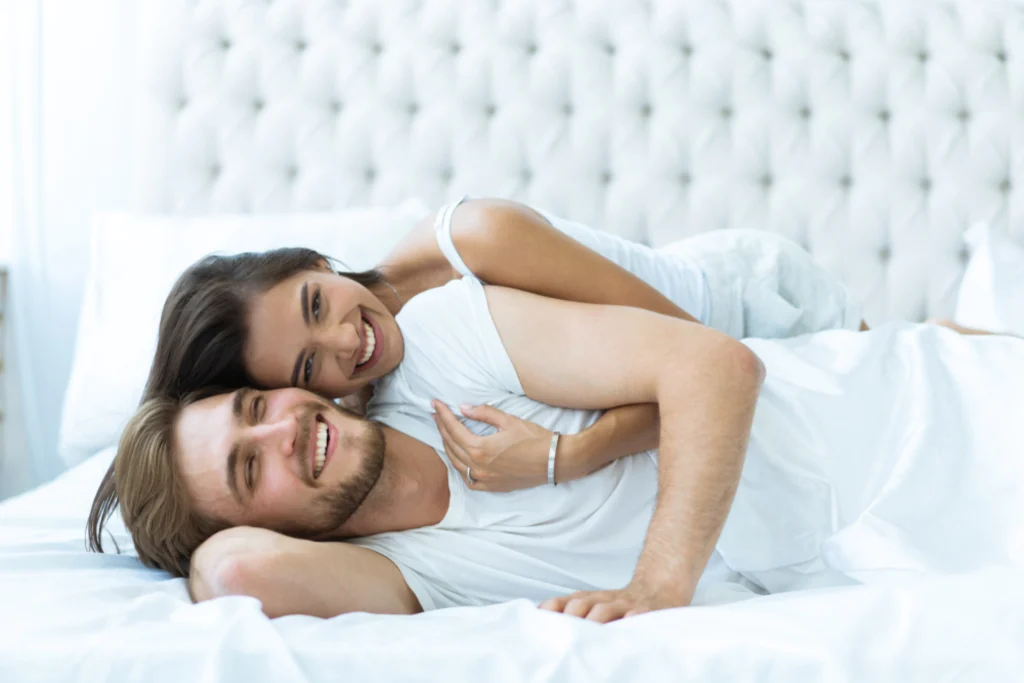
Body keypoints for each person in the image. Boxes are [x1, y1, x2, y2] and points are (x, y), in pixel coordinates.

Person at [93, 268, 1024, 623]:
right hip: (876, 548)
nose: (288, 425)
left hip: (903, 417)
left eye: (260, 400)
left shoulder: (447, 342)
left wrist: (658, 586)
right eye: (249, 465)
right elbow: (236, 575)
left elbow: (714, 368)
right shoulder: (406, 576)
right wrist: (192, 522)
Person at [139, 196, 867, 490]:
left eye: (316, 301)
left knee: (935, 358)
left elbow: (698, 362)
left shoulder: (476, 241)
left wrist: (563, 457)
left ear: (316, 263)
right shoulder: (360, 405)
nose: (342, 339)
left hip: (753, 307)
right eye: (307, 364)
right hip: (726, 370)